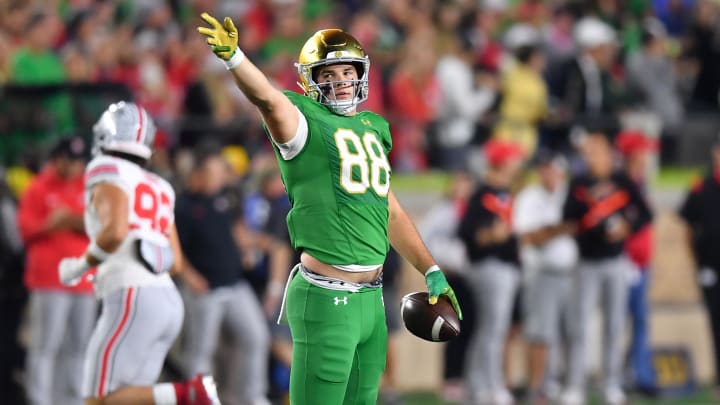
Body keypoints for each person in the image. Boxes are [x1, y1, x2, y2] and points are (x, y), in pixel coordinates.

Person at [196, 14, 462, 405]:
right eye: (327, 73)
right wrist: (234, 57)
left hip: (371, 299)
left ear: (360, 75)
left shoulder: (374, 127)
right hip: (327, 297)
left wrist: (431, 268)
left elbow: (389, 211)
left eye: (346, 70)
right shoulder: (304, 121)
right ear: (311, 81)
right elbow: (267, 98)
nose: (339, 80)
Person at [56, 101, 220, 405]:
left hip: (132, 296)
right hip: (168, 300)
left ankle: (189, 393)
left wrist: (80, 267)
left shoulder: (105, 170)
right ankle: (182, 394)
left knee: (98, 397)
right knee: (130, 398)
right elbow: (176, 260)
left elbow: (115, 231)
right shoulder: (160, 185)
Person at [557, 130, 652, 405]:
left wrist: (626, 227)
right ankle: (575, 384)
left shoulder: (622, 180)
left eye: (596, 151)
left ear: (608, 153)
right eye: (587, 152)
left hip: (616, 261)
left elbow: (645, 214)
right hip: (586, 261)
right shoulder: (579, 182)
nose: (591, 157)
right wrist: (589, 216)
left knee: (614, 324)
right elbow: (567, 217)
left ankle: (612, 383)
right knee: (580, 325)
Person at [175, 141, 270, 405]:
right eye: (214, 173)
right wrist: (190, 277)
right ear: (199, 174)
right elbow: (174, 249)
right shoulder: (183, 206)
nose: (219, 179)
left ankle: (250, 397)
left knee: (254, 336)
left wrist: (254, 246)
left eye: (220, 173)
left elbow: (237, 232)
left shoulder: (226, 198)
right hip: (205, 289)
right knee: (200, 352)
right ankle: (198, 399)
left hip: (235, 284)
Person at [17, 136, 97, 405]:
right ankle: (39, 399)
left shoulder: (88, 186)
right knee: (44, 346)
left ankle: (72, 400)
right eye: (70, 160)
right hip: (49, 279)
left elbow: (101, 225)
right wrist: (52, 224)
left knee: (79, 347)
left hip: (84, 279)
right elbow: (25, 231)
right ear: (58, 158)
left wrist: (69, 220)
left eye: (78, 161)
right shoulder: (38, 187)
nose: (75, 166)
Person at [458, 139, 525, 405]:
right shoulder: (483, 194)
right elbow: (467, 233)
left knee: (490, 329)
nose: (518, 163)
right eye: (513, 158)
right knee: (493, 330)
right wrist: (490, 235)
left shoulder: (504, 193)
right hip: (489, 267)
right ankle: (491, 386)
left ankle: (477, 385)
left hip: (505, 267)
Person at [513, 150, 578, 404]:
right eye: (543, 168)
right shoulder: (530, 197)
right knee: (540, 335)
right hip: (542, 273)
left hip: (572, 272)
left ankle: (569, 386)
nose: (547, 173)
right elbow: (526, 236)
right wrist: (559, 229)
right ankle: (536, 388)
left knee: (573, 332)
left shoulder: (571, 194)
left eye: (551, 168)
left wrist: (550, 232)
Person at [615, 130, 658, 393]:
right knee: (620, 319)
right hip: (624, 262)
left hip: (642, 262)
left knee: (640, 319)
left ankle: (638, 373)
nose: (645, 157)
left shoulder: (640, 182)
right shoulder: (621, 185)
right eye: (642, 152)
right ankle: (622, 375)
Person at [678, 134, 720, 399]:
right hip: (711, 266)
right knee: (716, 324)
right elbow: (687, 223)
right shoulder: (701, 186)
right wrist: (696, 257)